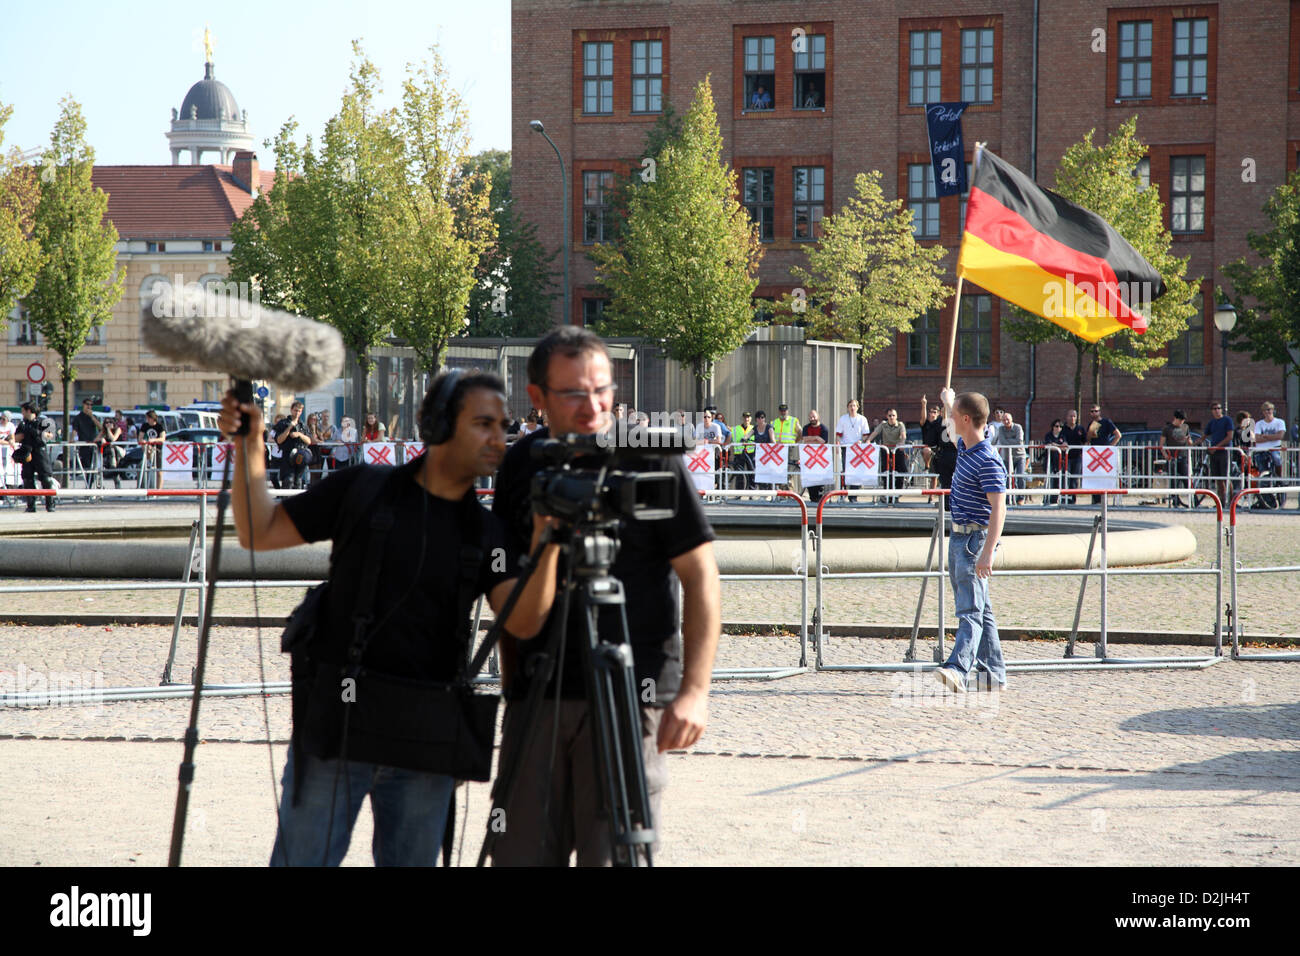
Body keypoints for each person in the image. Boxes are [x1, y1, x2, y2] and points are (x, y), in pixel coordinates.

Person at [219, 371, 561, 867]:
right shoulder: (362, 488)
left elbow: (524, 622)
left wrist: (550, 540)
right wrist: (249, 444)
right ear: (440, 426)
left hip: (425, 743)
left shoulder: (487, 534)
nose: (499, 438)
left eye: (503, 425)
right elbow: (259, 530)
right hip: (337, 725)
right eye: (484, 424)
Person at [489, 326, 721, 866]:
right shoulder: (523, 464)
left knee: (614, 855)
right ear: (537, 396)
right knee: (520, 850)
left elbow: (701, 576)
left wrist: (695, 691)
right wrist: (512, 681)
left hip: (628, 691)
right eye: (573, 393)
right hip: (540, 690)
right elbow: (508, 597)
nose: (592, 406)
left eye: (603, 390)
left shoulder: (650, 457)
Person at [934, 387, 1007, 694]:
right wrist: (948, 401)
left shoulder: (988, 460)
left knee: (970, 611)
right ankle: (993, 674)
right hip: (960, 538)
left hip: (973, 541)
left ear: (966, 419)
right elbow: (954, 431)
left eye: (953, 416)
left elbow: (999, 508)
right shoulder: (967, 447)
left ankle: (958, 668)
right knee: (982, 609)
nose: (949, 421)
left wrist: (988, 552)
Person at [15, 402, 57, 512]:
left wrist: (37, 432)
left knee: (46, 479)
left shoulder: (42, 421)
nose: (22, 413)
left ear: (29, 410)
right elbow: (17, 437)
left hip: (39, 452)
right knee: (27, 479)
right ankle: (31, 506)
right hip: (27, 452)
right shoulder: (23, 424)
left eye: (23, 410)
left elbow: (50, 435)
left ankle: (50, 505)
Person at [867, 408, 908, 504]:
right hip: (886, 450)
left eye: (893, 415)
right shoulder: (883, 424)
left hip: (897, 450)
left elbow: (903, 435)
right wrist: (869, 440)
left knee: (900, 471)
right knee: (886, 472)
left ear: (896, 416)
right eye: (890, 415)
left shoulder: (900, 425)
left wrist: (902, 442)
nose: (892, 417)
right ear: (887, 416)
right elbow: (875, 433)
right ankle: (887, 494)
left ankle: (897, 494)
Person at [1252, 402, 1287, 509]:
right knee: (1263, 474)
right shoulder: (1259, 424)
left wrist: (1265, 436)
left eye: (1269, 410)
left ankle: (1279, 476)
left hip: (1274, 449)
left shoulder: (1279, 422)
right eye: (1265, 410)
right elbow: (1256, 438)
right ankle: (1268, 501)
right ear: (1262, 412)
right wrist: (1272, 436)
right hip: (1261, 450)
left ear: (1273, 410)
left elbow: (1280, 436)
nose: (1268, 412)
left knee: (1276, 458)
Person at [920, 395, 957, 492]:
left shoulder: (946, 422)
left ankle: (937, 498)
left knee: (943, 477)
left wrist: (946, 402)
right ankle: (926, 467)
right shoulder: (931, 423)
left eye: (934, 412)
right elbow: (923, 420)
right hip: (935, 451)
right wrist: (924, 405)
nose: (932, 414)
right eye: (931, 412)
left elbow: (946, 418)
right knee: (944, 480)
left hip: (947, 451)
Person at [1201, 401, 1234, 508]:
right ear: (1211, 411)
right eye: (1214, 408)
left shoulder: (1227, 420)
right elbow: (1204, 436)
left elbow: (1229, 436)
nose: (1217, 410)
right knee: (1218, 478)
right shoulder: (1212, 422)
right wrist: (1192, 443)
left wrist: (1217, 446)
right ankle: (1221, 502)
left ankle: (1232, 501)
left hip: (1224, 452)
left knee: (1226, 477)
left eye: (1219, 408)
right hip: (1214, 453)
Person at [274, 401, 313, 490]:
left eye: (299, 411)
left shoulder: (303, 425)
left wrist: (299, 434)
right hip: (287, 455)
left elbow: (309, 441)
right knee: (288, 480)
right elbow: (279, 440)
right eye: (295, 410)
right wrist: (289, 428)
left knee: (298, 481)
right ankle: (285, 501)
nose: (297, 413)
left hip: (300, 455)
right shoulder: (283, 423)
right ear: (291, 410)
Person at [1158, 410, 1193, 507]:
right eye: (1180, 420)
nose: (1182, 422)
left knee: (1186, 478)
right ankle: (1175, 500)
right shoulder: (1167, 428)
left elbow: (1190, 442)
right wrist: (1165, 455)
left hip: (1183, 456)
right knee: (1173, 480)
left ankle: (1193, 499)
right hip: (1172, 457)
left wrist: (1189, 441)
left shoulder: (1186, 427)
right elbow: (1161, 444)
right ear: (1175, 418)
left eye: (1183, 420)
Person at [993, 410, 1027, 504]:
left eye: (1007, 419)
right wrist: (1012, 441)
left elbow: (1019, 441)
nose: (1006, 421)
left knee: (1020, 476)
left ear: (1011, 420)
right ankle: (1008, 499)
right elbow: (1002, 442)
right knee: (1007, 477)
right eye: (1004, 420)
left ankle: (1021, 498)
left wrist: (1009, 441)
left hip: (1019, 456)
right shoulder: (1001, 429)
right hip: (1007, 457)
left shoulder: (1018, 427)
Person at [836, 399, 870, 485]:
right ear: (848, 407)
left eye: (854, 406)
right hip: (846, 448)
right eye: (850, 406)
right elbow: (838, 434)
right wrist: (837, 445)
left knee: (857, 470)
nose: (852, 408)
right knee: (846, 470)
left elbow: (865, 434)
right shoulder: (843, 418)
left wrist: (861, 441)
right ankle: (843, 493)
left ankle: (853, 495)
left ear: (857, 407)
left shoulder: (862, 419)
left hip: (858, 449)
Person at [800, 409, 830, 503]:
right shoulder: (806, 428)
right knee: (810, 476)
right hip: (808, 457)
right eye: (810, 417)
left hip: (820, 458)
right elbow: (805, 439)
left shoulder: (823, 428)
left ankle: (819, 497)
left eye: (814, 416)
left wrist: (813, 439)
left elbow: (823, 441)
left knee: (819, 477)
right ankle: (812, 497)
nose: (812, 418)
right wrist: (817, 438)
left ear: (818, 417)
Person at [1060, 409, 1087, 503]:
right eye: (1070, 416)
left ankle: (1072, 499)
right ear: (1067, 417)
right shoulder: (1063, 429)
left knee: (1074, 479)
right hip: (1066, 457)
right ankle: (1064, 499)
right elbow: (1061, 440)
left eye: (1074, 416)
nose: (1072, 418)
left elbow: (1085, 441)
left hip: (1077, 457)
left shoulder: (1080, 429)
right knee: (1064, 477)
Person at [71, 399, 100, 486]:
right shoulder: (78, 418)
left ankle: (92, 485)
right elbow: (75, 430)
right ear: (83, 405)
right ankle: (89, 486)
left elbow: (101, 427)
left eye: (91, 405)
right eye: (87, 404)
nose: (89, 406)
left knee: (94, 467)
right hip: (84, 445)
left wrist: (92, 417)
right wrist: (72, 439)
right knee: (87, 467)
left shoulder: (94, 417)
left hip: (93, 445)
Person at [137, 409, 167, 490]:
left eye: (148, 418)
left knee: (159, 471)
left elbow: (163, 438)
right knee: (142, 467)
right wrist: (142, 441)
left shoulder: (160, 426)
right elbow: (140, 438)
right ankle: (142, 487)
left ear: (153, 418)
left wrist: (153, 440)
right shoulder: (145, 426)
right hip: (147, 449)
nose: (147, 420)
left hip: (157, 449)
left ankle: (159, 490)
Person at [1042, 418, 1069, 503]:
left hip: (1059, 461)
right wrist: (1059, 446)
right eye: (1056, 426)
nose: (1058, 428)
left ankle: (1055, 500)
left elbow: (1065, 447)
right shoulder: (1048, 435)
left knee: (1059, 481)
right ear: (1053, 427)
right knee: (1049, 480)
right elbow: (1050, 446)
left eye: (1060, 426)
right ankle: (1046, 499)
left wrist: (1056, 445)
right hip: (1050, 461)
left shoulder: (1062, 436)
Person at [751, 410, 777, 492]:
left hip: (768, 454)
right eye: (758, 418)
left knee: (769, 472)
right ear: (756, 419)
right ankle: (763, 491)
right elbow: (748, 434)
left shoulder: (769, 427)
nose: (760, 419)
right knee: (760, 472)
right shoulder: (755, 428)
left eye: (762, 417)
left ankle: (771, 491)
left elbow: (773, 440)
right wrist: (744, 438)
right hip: (759, 455)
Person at [729, 411, 755, 491]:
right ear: (742, 418)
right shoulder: (735, 429)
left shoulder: (753, 428)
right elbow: (731, 440)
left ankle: (752, 492)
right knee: (739, 474)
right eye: (745, 417)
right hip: (739, 453)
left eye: (748, 417)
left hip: (751, 453)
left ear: (750, 419)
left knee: (752, 473)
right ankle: (739, 493)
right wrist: (731, 454)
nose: (746, 419)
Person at [100, 412, 124, 490]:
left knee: (115, 469)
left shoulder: (118, 429)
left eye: (110, 422)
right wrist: (102, 438)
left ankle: (118, 487)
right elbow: (96, 439)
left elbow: (113, 439)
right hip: (108, 454)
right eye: (106, 422)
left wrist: (109, 430)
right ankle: (100, 486)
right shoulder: (104, 431)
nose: (108, 424)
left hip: (119, 452)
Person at [0, 410, 16, 503]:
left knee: (9, 470)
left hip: (6, 451)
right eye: (1, 418)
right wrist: (8, 442)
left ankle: (8, 490)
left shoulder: (11, 426)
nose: (1, 420)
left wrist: (12, 442)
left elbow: (12, 437)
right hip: (2, 447)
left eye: (4, 419)